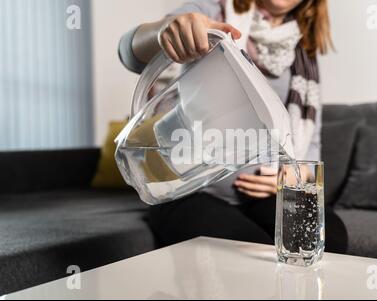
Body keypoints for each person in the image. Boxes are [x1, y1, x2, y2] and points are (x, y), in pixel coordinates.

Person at [119, 0, 348, 252]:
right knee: (245, 252)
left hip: (266, 194)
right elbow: (129, 52)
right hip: (189, 190)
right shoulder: (213, 13)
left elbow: (311, 143)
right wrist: (165, 31)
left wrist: (293, 176)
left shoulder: (304, 50)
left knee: (328, 239)